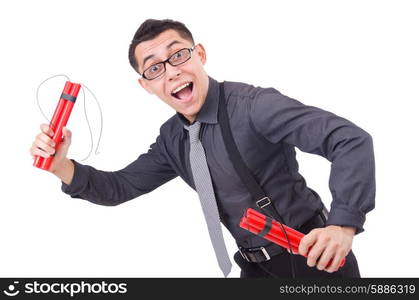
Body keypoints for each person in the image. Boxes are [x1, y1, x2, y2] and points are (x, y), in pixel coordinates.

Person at [30, 19, 375, 278]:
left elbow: (348, 140)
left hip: (312, 258)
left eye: (178, 54)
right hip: (253, 266)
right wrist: (61, 165)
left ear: (200, 54)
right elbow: (120, 187)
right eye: (154, 67)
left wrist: (342, 226)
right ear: (146, 85)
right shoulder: (173, 140)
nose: (172, 71)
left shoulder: (255, 106)